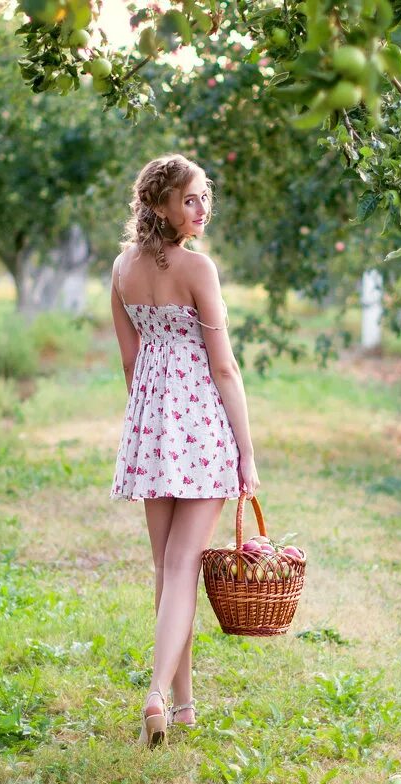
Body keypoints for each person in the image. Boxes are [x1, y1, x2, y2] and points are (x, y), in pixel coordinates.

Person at [108, 154, 261, 748]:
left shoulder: (123, 268)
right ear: (159, 205)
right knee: (179, 571)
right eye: (191, 199)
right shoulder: (198, 269)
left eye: (205, 197)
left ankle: (185, 703)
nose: (202, 208)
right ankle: (155, 694)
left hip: (151, 425)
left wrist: (149, 423)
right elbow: (223, 367)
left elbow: (129, 360)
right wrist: (245, 452)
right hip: (199, 427)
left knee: (169, 572)